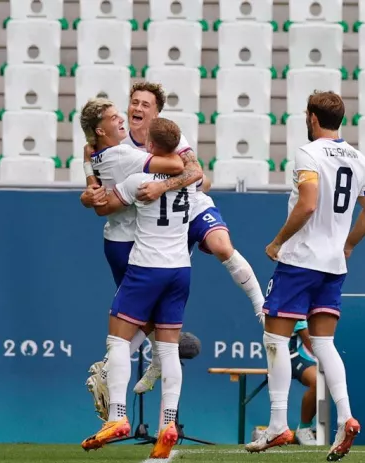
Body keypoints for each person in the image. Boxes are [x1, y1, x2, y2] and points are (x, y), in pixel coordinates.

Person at [81, 81, 266, 406]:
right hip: (139, 230)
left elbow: (200, 176)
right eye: (133, 102)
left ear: (156, 112)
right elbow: (95, 190)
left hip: (187, 207)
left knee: (221, 245)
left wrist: (160, 188)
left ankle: (261, 307)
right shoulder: (108, 149)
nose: (137, 109)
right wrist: (88, 194)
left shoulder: (169, 137)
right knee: (146, 315)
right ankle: (140, 367)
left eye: (145, 104)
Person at [245, 91, 365, 462]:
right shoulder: (358, 158)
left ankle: (276, 425)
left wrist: (277, 242)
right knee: (324, 345)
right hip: (333, 264)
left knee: (274, 338)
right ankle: (346, 417)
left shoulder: (309, 153)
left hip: (301, 259)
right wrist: (347, 245)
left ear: (312, 117)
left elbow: (307, 203)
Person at [80, 118, 196, 459]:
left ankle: (117, 416)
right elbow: (193, 172)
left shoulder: (138, 180)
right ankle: (169, 424)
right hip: (180, 269)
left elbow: (104, 206)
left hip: (147, 267)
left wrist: (89, 193)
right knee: (169, 350)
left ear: (149, 145)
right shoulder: (189, 182)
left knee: (117, 339)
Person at [289, 320, 321, 446]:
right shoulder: (297, 305)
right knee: (319, 382)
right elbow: (311, 344)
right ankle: (303, 429)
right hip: (292, 356)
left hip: (311, 357)